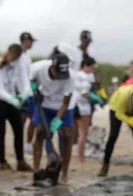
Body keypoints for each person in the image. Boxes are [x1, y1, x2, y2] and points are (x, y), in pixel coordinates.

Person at [30, 54, 77, 184]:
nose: (60, 78)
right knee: (39, 133)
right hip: (44, 103)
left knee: (67, 134)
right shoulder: (38, 68)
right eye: (58, 73)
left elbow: (65, 104)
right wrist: (34, 90)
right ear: (52, 67)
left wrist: (54, 126)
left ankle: (64, 173)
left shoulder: (71, 77)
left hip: (63, 106)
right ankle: (36, 171)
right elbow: (30, 79)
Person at [0, 43, 33, 172]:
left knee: (19, 130)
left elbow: (26, 83)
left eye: (16, 58)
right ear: (7, 53)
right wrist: (12, 100)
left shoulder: (20, 64)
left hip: (14, 99)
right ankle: (2, 162)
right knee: (1, 132)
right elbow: (0, 89)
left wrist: (24, 94)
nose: (13, 61)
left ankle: (20, 161)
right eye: (12, 57)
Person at [98, 84, 133, 177]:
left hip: (131, 109)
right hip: (116, 108)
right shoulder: (125, 95)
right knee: (113, 136)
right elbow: (119, 114)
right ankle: (105, 166)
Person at [73, 57, 104, 163]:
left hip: (75, 105)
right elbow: (85, 93)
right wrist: (96, 99)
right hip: (83, 107)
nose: (93, 70)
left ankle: (79, 154)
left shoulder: (76, 74)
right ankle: (81, 157)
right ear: (86, 66)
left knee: (78, 132)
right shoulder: (85, 77)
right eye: (92, 67)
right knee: (83, 133)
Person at [19, 32, 37, 155]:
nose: (32, 44)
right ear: (25, 41)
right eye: (31, 41)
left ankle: (28, 144)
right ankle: (20, 145)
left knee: (34, 119)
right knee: (21, 120)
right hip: (21, 92)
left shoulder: (28, 57)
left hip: (30, 92)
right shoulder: (17, 56)